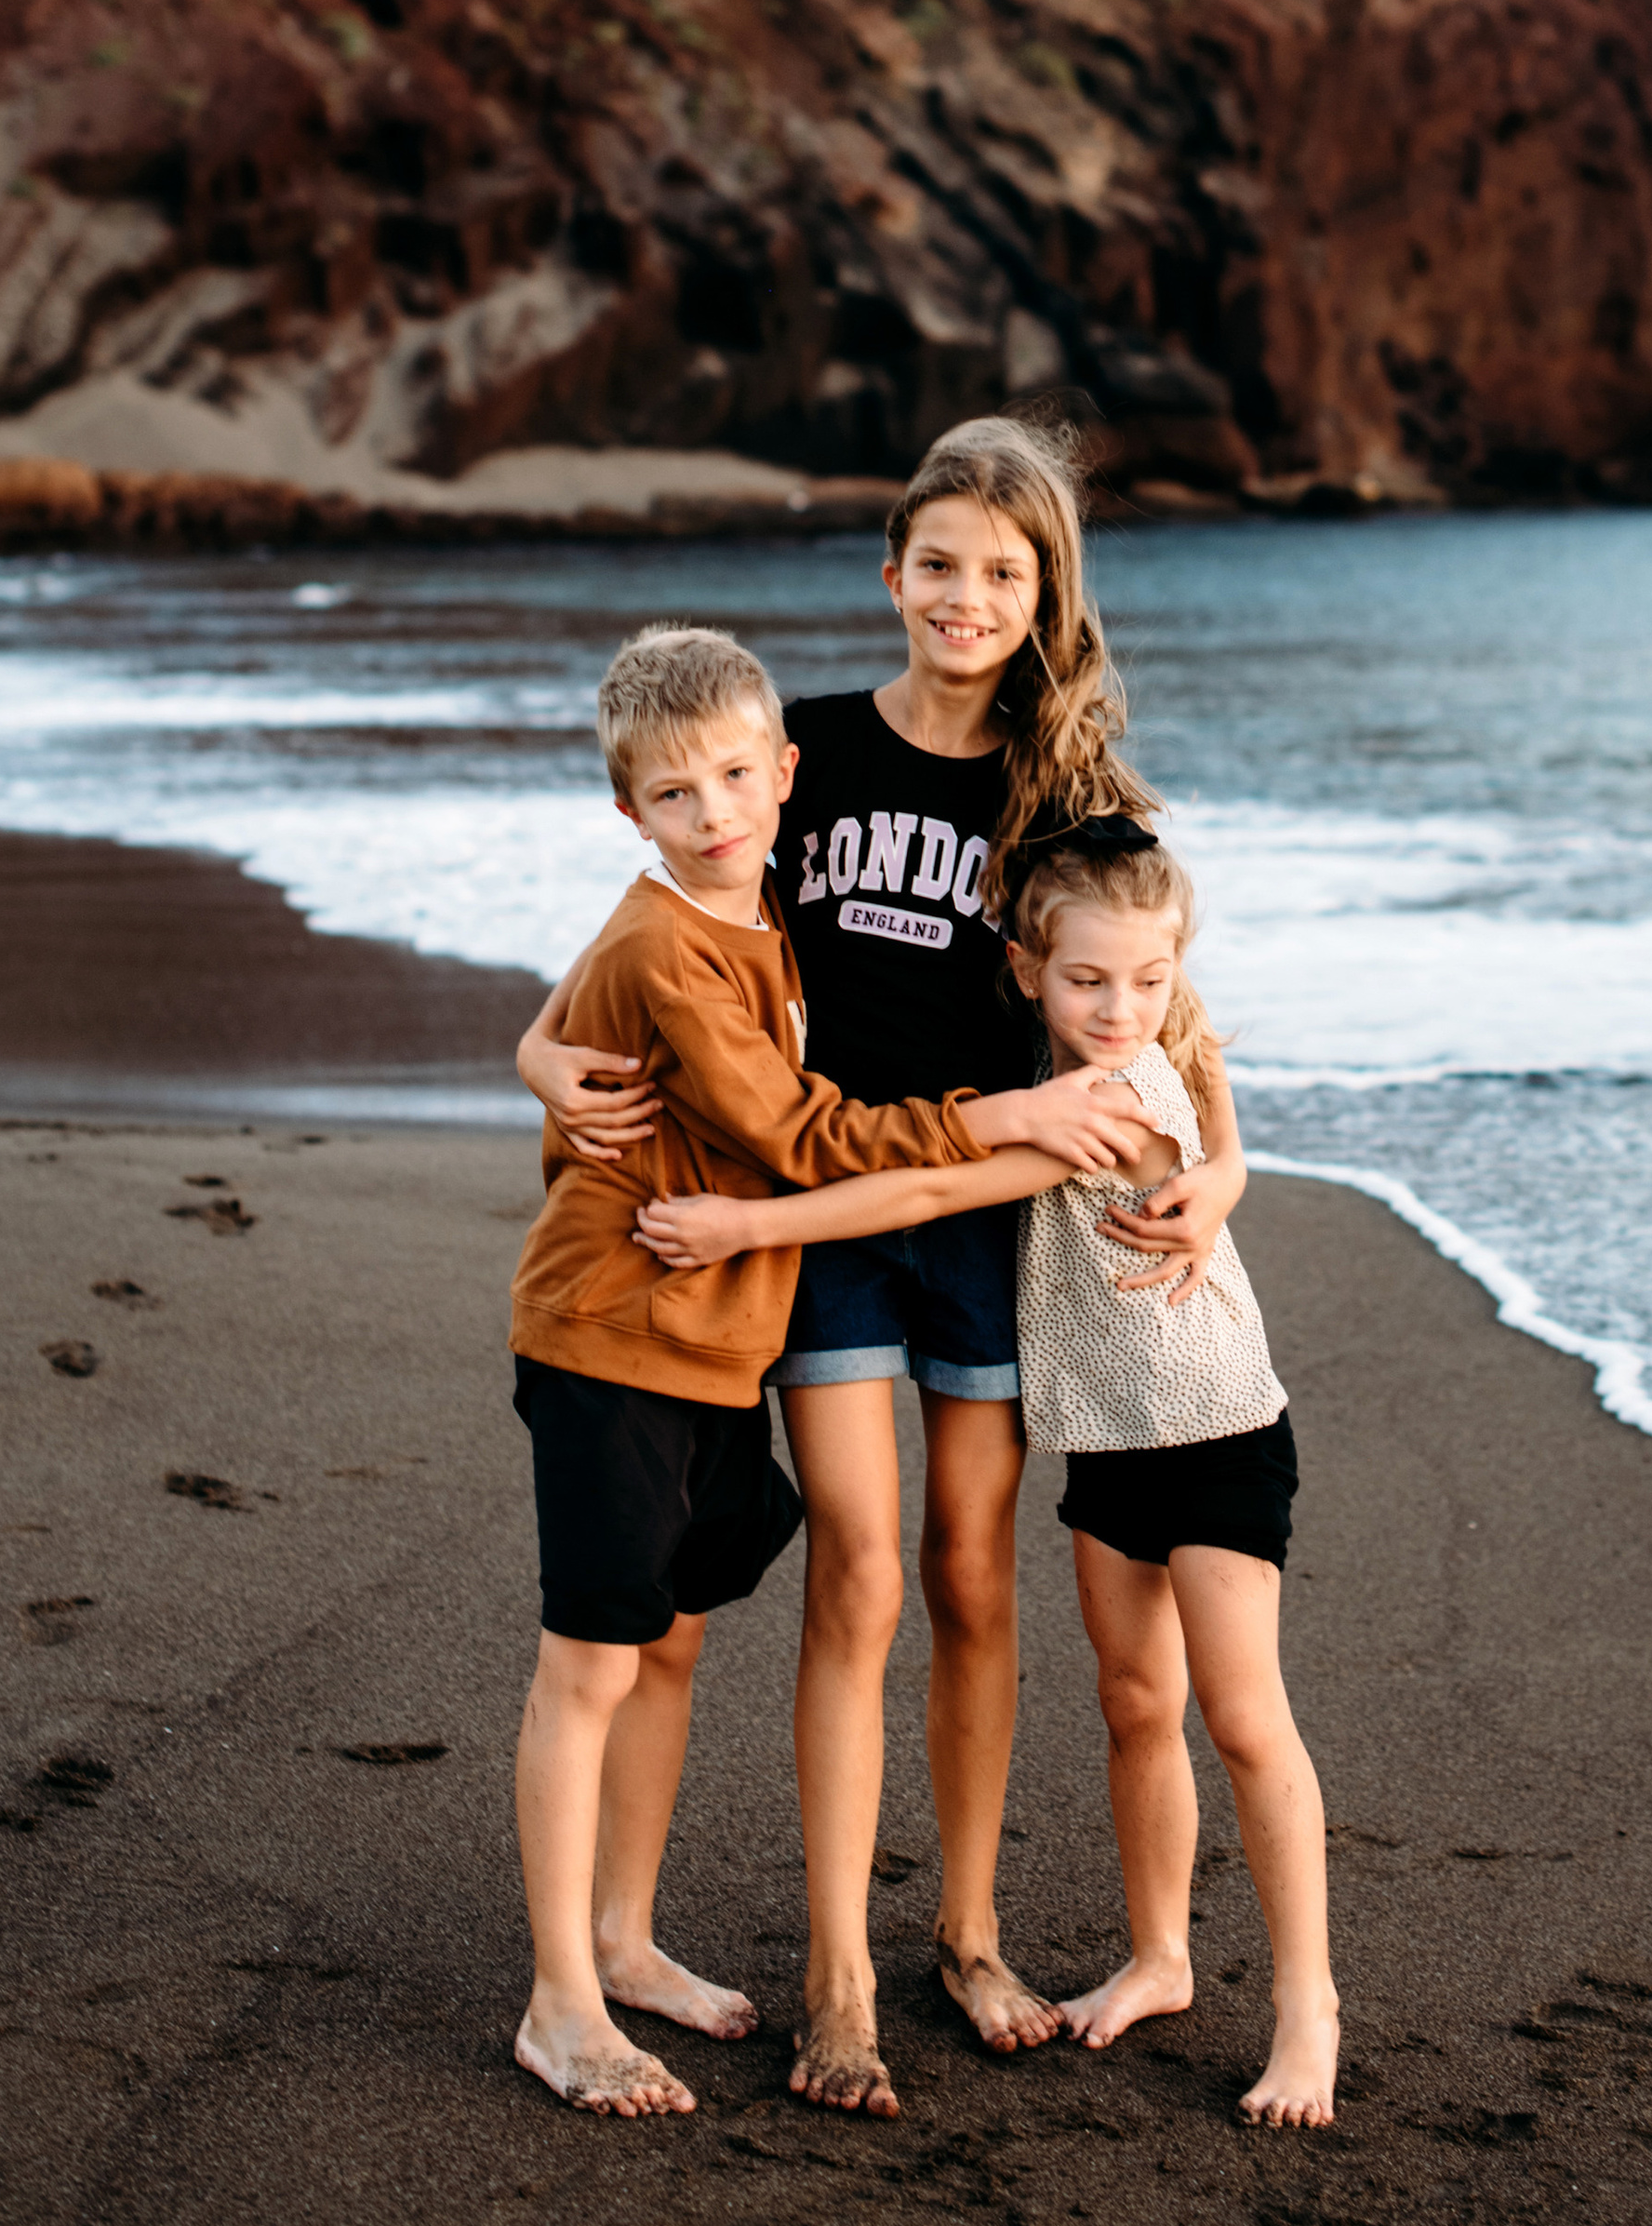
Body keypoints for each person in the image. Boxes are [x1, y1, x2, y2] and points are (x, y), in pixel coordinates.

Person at [519, 416, 1247, 2119]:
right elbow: (648, 938)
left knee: (974, 1580)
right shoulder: (803, 751)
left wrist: (1216, 1174)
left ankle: (968, 1935)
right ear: (892, 575)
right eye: (941, 566)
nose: (969, 600)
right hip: (833, 1239)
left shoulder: (1065, 796)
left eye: (1007, 573)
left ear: (1044, 590)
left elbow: (1178, 1020)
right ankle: (840, 1974)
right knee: (856, 1574)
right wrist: (537, 1061)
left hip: (995, 1236)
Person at [637, 815, 1340, 2131]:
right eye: (1088, 981)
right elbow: (1206, 1088)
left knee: (1245, 1723)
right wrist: (1230, 1164)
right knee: (1136, 1703)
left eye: (1146, 981)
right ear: (1025, 971)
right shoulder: (1085, 1053)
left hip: (1218, 1432)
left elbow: (918, 1197)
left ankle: (1310, 2014)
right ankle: (1162, 1956)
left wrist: (753, 1223)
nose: (1120, 1007)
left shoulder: (1110, 1102)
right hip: (1106, 1442)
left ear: (1175, 971)